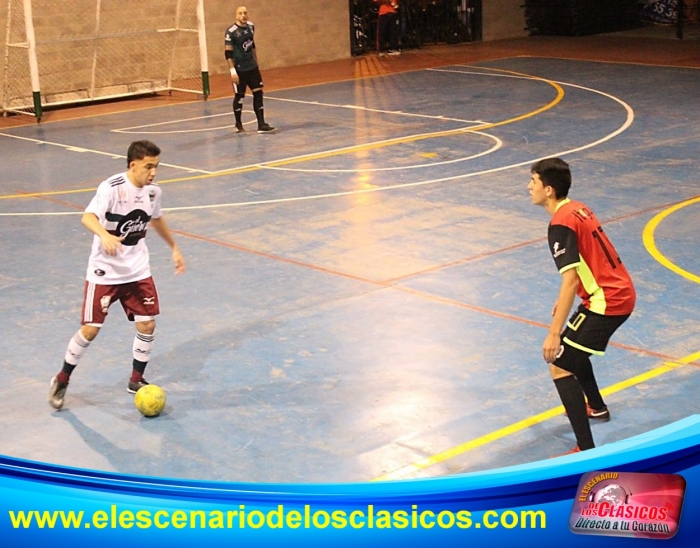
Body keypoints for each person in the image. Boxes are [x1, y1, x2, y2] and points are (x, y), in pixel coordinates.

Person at [47, 140, 186, 410]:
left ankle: (136, 379)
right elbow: (88, 217)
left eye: (156, 166)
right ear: (133, 165)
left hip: (137, 270)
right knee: (90, 330)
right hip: (105, 272)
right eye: (148, 166)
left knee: (147, 324)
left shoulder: (153, 192)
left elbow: (156, 218)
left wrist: (174, 247)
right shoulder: (111, 188)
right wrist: (104, 235)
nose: (153, 172)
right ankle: (62, 378)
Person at [528, 158, 635, 454]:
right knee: (574, 350)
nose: (529, 187)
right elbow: (588, 261)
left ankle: (585, 450)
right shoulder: (578, 208)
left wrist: (553, 333)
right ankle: (597, 407)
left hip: (607, 301)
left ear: (548, 190)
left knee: (560, 364)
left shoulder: (560, 223)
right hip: (614, 291)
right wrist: (565, 300)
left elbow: (571, 279)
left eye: (533, 181)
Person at [225, 6, 276, 134]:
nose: (243, 15)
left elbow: (252, 45)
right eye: (240, 13)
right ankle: (238, 124)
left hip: (252, 67)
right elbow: (228, 53)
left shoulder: (251, 27)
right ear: (236, 16)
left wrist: (256, 62)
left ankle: (261, 124)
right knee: (239, 96)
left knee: (258, 93)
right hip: (240, 69)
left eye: (245, 13)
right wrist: (232, 71)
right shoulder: (231, 32)